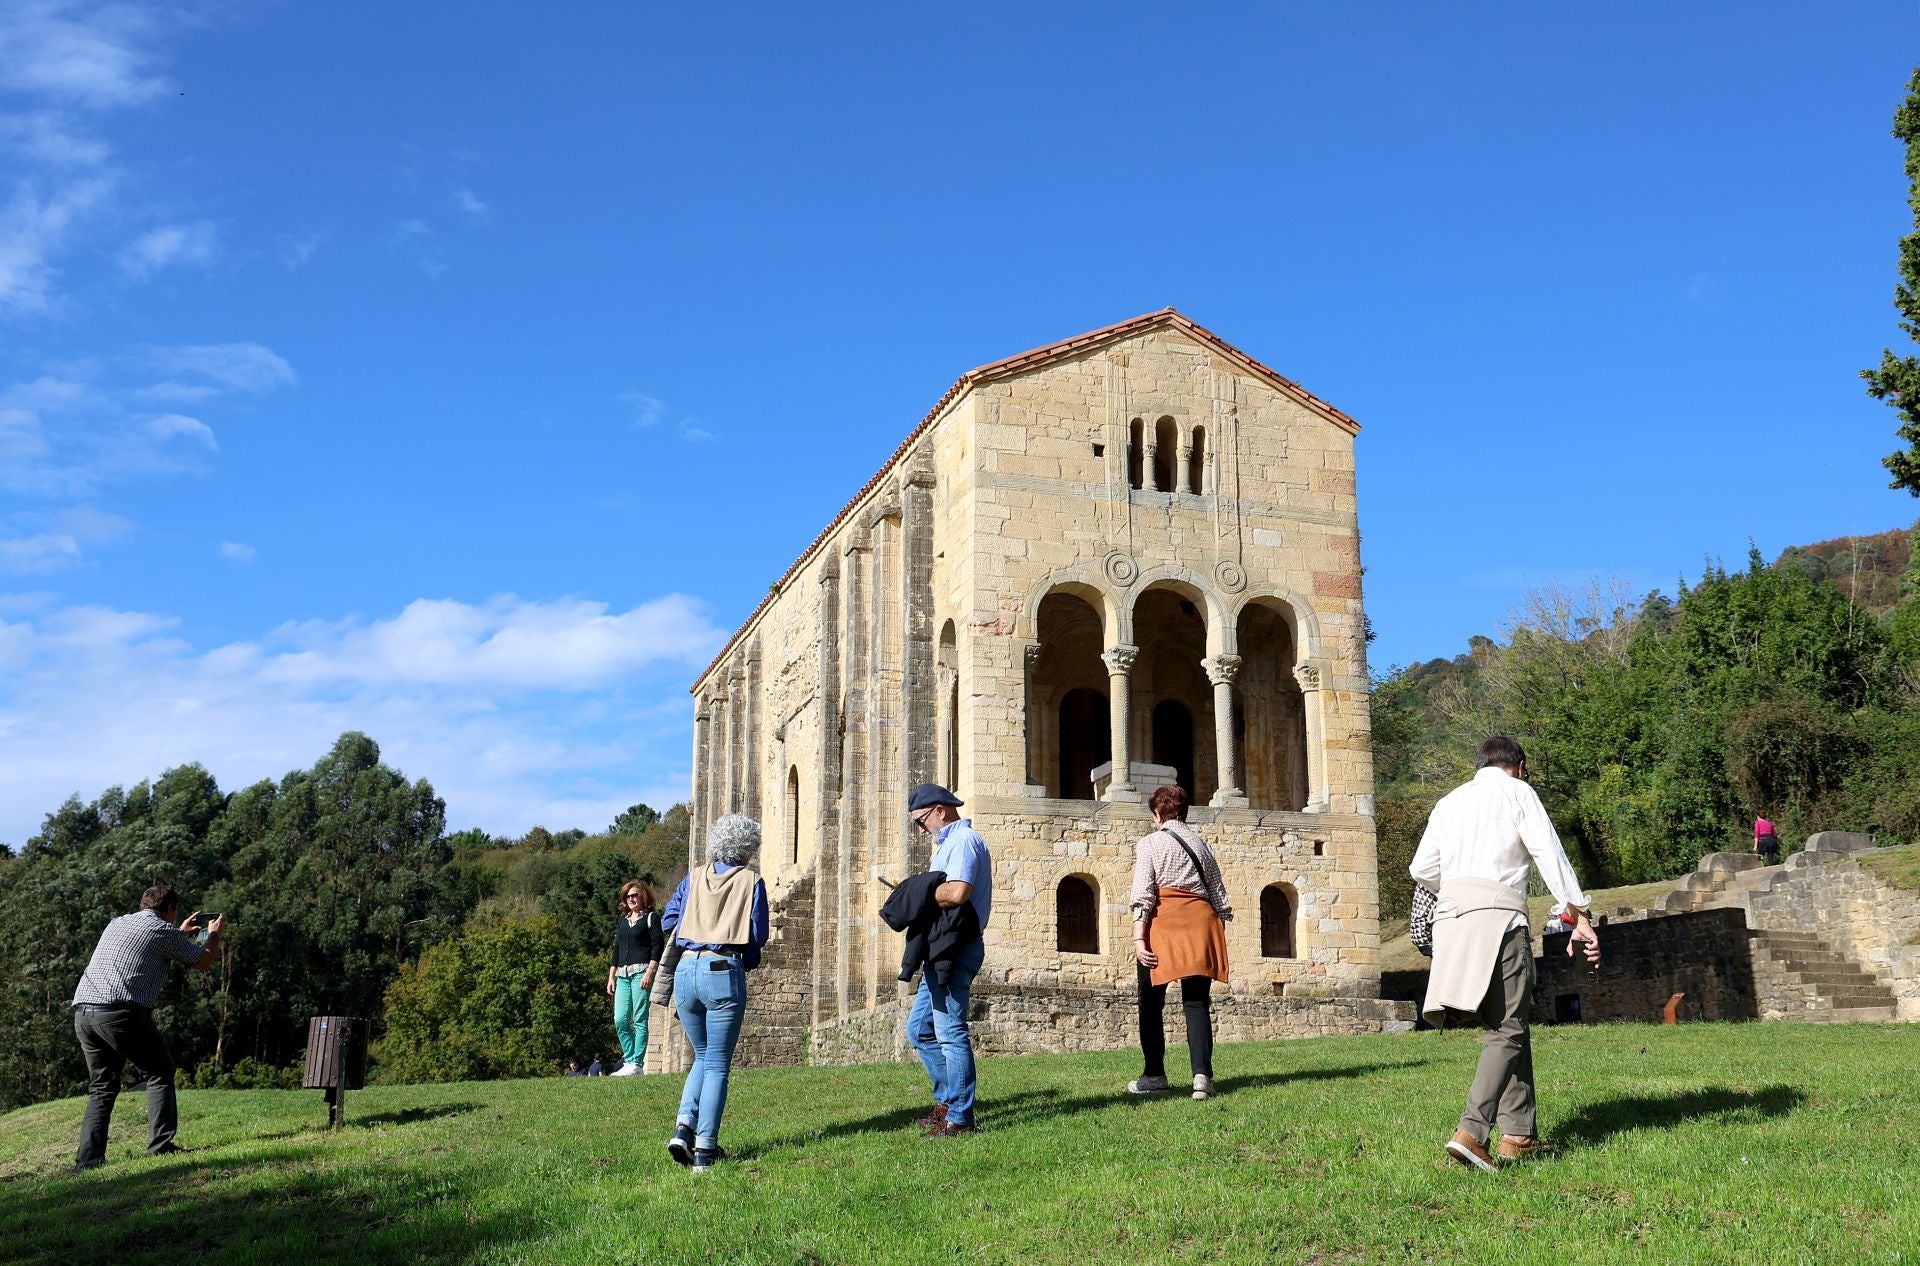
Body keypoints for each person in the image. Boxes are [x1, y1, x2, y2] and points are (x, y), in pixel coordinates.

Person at [1411, 736, 1600, 1172]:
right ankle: (1471, 1132)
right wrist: (1581, 914)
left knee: (1507, 1025)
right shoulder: (1518, 792)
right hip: (1498, 919)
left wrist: (1462, 887)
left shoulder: (1448, 802)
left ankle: (1519, 1135)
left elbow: (1421, 869)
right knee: (1508, 1030)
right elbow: (1549, 854)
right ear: (1519, 765)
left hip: (1452, 922)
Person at [70, 884, 225, 1171]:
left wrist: (179, 932)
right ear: (170, 909)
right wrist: (212, 935)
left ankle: (88, 1162)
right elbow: (202, 961)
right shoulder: (163, 931)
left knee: (102, 1087)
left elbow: (145, 943)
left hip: (84, 1012)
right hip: (120, 1014)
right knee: (159, 1070)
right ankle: (161, 1146)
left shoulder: (117, 922)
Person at [661, 814, 769, 1172]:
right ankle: (705, 1150)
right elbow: (757, 934)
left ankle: (683, 1127)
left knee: (703, 1055)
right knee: (719, 1064)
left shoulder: (693, 876)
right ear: (749, 848)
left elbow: (668, 921)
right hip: (722, 969)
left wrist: (697, 924)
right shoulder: (751, 880)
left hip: (685, 971)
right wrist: (744, 961)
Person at [1128, 785, 1232, 1101]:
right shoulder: (1202, 845)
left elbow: (1143, 893)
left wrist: (1138, 936)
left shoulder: (1150, 843)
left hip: (1165, 923)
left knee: (1150, 1001)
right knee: (1197, 1002)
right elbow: (1219, 896)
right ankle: (1202, 1078)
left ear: (1157, 813)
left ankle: (1155, 1075)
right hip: (1201, 920)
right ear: (1184, 811)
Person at [903, 782, 992, 1138]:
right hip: (940, 948)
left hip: (958, 946)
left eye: (921, 821)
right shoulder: (945, 845)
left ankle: (960, 1118)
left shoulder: (964, 841)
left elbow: (958, 891)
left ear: (941, 810)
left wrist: (918, 893)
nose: (921, 830)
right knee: (919, 1029)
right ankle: (948, 1101)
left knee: (951, 1032)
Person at [606, 878, 663, 1076]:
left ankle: (637, 1063)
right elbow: (617, 950)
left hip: (642, 972)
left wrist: (650, 971)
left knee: (639, 1019)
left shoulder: (651, 918)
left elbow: (658, 946)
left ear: (643, 896)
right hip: (622, 975)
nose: (631, 899)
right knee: (620, 1019)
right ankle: (629, 1060)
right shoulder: (622, 921)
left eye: (635, 895)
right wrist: (611, 977)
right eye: (627, 896)